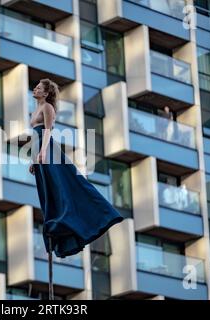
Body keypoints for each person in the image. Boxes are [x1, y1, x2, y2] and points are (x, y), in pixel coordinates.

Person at [28, 78, 124, 258]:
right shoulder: (34, 110)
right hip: (38, 150)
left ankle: (91, 214)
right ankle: (56, 221)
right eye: (36, 86)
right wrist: (33, 159)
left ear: (46, 93)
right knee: (47, 189)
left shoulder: (47, 107)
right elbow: (34, 136)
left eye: (39, 87)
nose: (35, 89)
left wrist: (42, 152)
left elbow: (48, 130)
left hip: (47, 149)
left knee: (61, 184)